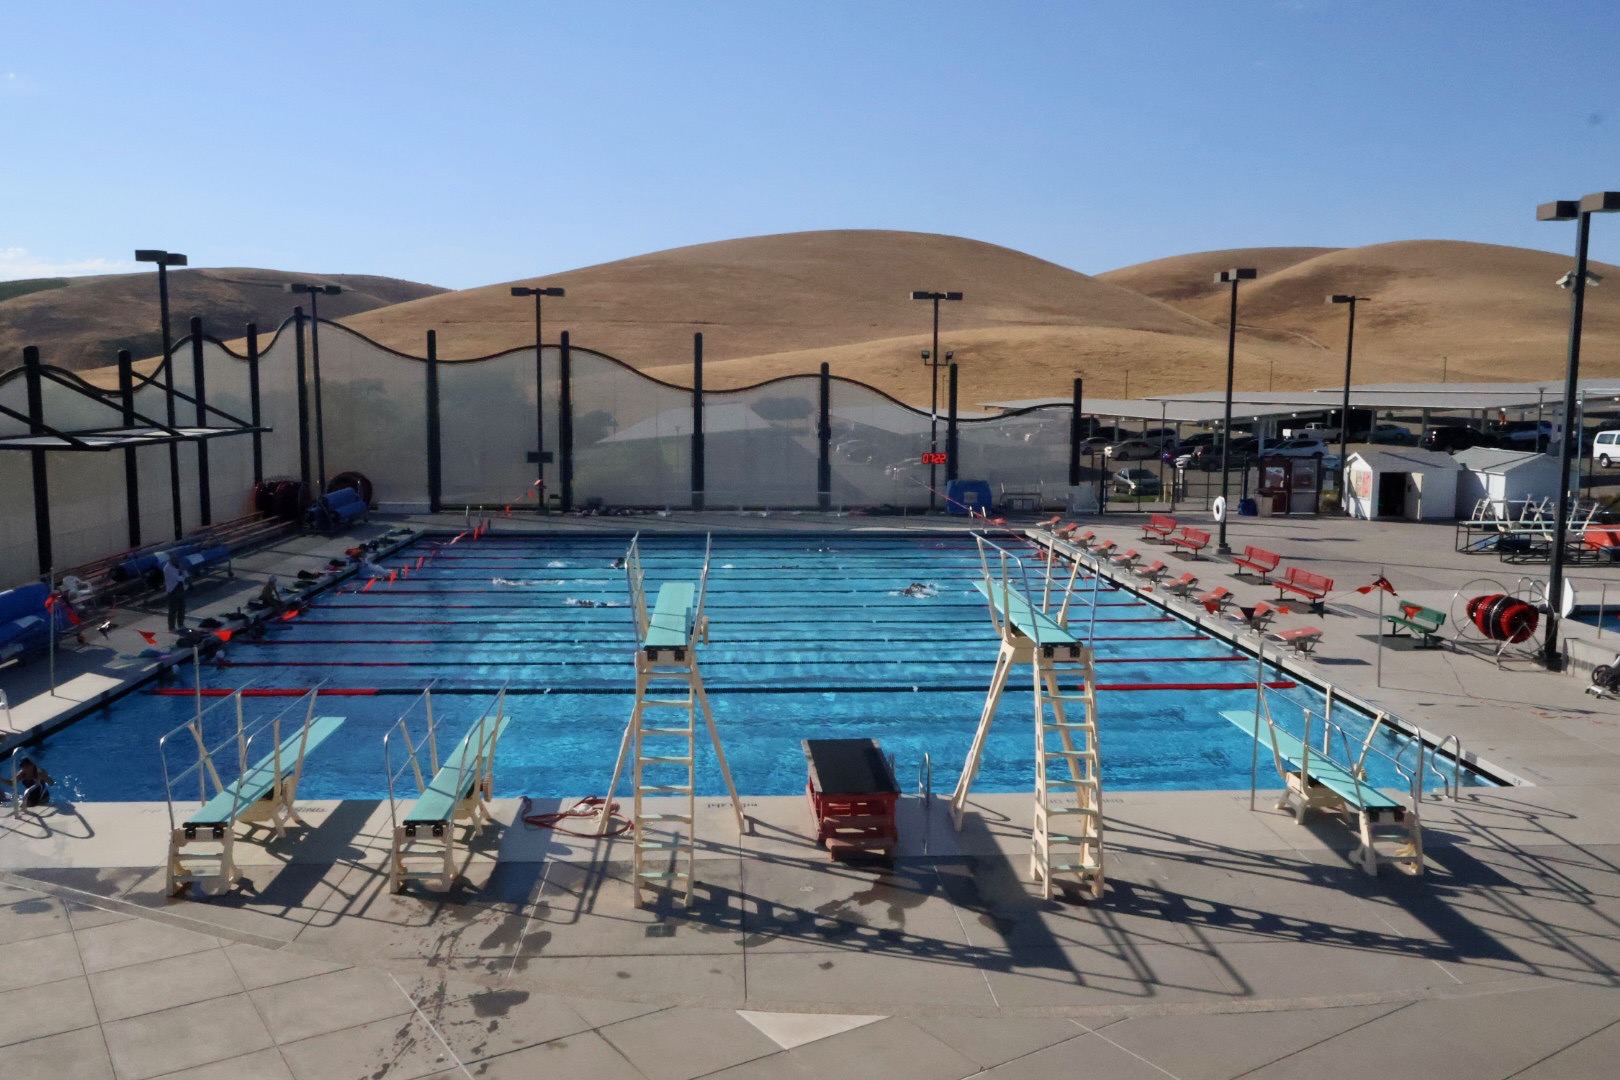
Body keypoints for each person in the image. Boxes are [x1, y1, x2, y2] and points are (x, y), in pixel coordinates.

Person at [162, 552, 189, 631]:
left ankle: (181, 624)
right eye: (174, 559)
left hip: (180, 588)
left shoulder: (177, 565)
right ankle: (171, 627)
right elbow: (178, 578)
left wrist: (184, 572)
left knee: (182, 607)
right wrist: (183, 573)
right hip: (173, 590)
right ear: (170, 560)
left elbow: (185, 573)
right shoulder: (168, 568)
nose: (176, 561)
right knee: (173, 609)